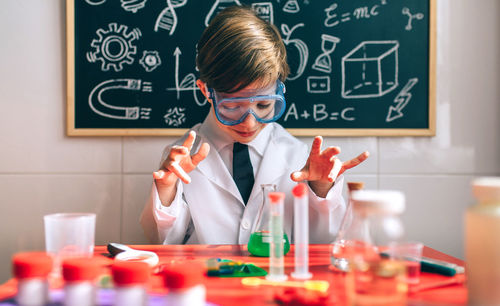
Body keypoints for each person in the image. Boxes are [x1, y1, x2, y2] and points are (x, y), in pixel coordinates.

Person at [140, 5, 369, 245]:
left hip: (276, 280)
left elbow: (322, 243)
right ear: (206, 91)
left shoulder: (298, 156)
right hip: (210, 279)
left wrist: (321, 190)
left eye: (263, 105)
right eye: (232, 106)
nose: (249, 122)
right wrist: (166, 191)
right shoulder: (178, 160)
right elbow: (164, 245)